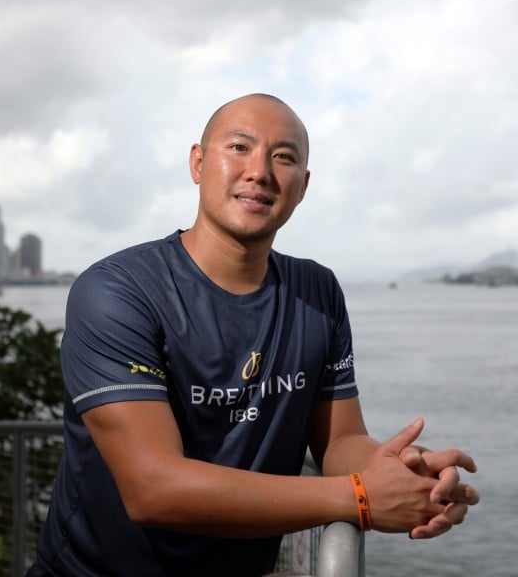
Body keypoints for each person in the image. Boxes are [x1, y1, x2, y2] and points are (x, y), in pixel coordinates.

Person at [30, 94, 479, 576]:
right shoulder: (118, 291)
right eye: (239, 147)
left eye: (283, 157)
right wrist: (361, 498)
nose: (260, 171)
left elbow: (339, 442)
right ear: (198, 163)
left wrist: (403, 469)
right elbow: (152, 489)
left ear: (302, 186)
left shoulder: (316, 291)